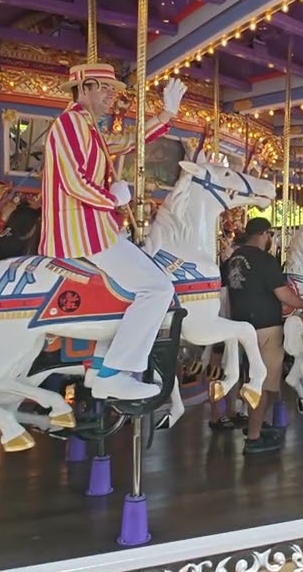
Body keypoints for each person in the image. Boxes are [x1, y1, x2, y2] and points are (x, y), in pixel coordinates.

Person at [39, 62, 186, 400]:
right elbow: (72, 180)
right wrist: (112, 198)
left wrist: (165, 115)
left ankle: (105, 361)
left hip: (97, 225)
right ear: (84, 87)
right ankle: (116, 372)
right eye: (104, 89)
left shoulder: (88, 126)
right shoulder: (69, 123)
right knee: (157, 287)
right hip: (81, 227)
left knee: (128, 290)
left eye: (113, 91)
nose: (111, 97)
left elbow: (127, 144)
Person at [223, 217, 303, 454]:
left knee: (250, 377)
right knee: (262, 384)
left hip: (240, 325)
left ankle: (256, 425)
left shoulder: (234, 258)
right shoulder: (265, 260)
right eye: (270, 236)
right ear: (265, 234)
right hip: (265, 327)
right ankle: (253, 437)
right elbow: (285, 295)